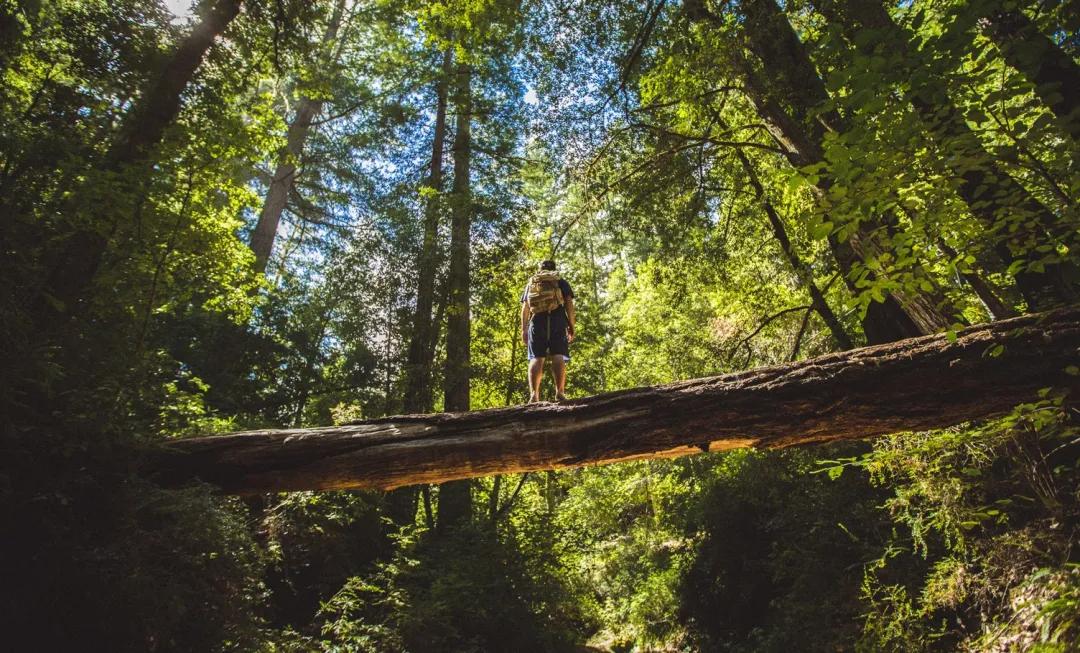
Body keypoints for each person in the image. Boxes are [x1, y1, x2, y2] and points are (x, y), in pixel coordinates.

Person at [521, 259, 575, 403]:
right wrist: (571, 325)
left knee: (536, 357)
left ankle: (534, 395)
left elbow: (525, 307)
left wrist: (524, 329)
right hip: (557, 320)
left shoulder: (532, 283)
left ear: (540, 269)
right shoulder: (560, 282)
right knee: (558, 355)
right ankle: (560, 393)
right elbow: (569, 303)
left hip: (537, 321)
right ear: (554, 269)